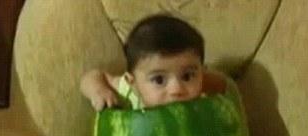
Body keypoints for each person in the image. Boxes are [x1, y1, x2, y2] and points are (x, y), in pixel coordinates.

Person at [80, 14, 226, 111]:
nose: (177, 90)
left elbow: (223, 84)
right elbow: (92, 77)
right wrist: (99, 91)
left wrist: (205, 80)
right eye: (159, 79)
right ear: (133, 82)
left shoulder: (199, 90)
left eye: (187, 76)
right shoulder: (129, 92)